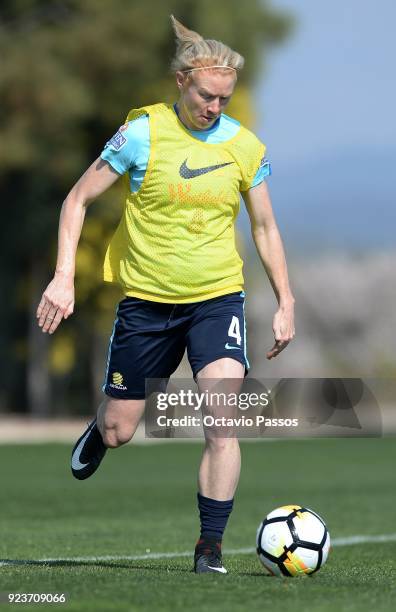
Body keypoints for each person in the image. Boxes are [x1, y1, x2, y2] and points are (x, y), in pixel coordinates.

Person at [36, 15, 295, 574]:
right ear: (181, 82)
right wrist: (63, 276)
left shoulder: (244, 146)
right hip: (147, 303)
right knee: (120, 429)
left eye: (225, 98)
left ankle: (209, 548)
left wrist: (286, 300)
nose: (215, 108)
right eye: (206, 95)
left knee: (223, 420)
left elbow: (266, 228)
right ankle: (101, 432)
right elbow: (76, 201)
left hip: (216, 298)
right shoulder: (141, 134)